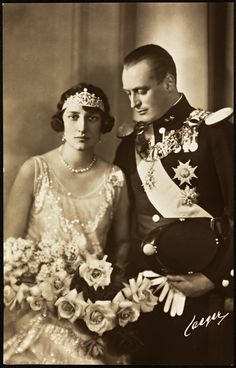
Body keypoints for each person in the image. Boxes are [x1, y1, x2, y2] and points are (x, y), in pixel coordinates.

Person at [114, 44, 233, 364]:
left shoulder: (215, 133)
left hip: (202, 289)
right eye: (128, 93)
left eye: (141, 91)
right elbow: (123, 224)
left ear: (168, 83)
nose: (133, 103)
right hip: (144, 293)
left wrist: (212, 278)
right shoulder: (129, 147)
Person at [4, 82, 131, 364]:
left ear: (103, 125)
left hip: (91, 310)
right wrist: (37, 290)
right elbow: (9, 249)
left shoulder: (115, 178)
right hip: (36, 306)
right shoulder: (34, 170)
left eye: (92, 117)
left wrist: (107, 295)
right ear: (61, 121)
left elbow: (122, 244)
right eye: (73, 116)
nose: (82, 126)